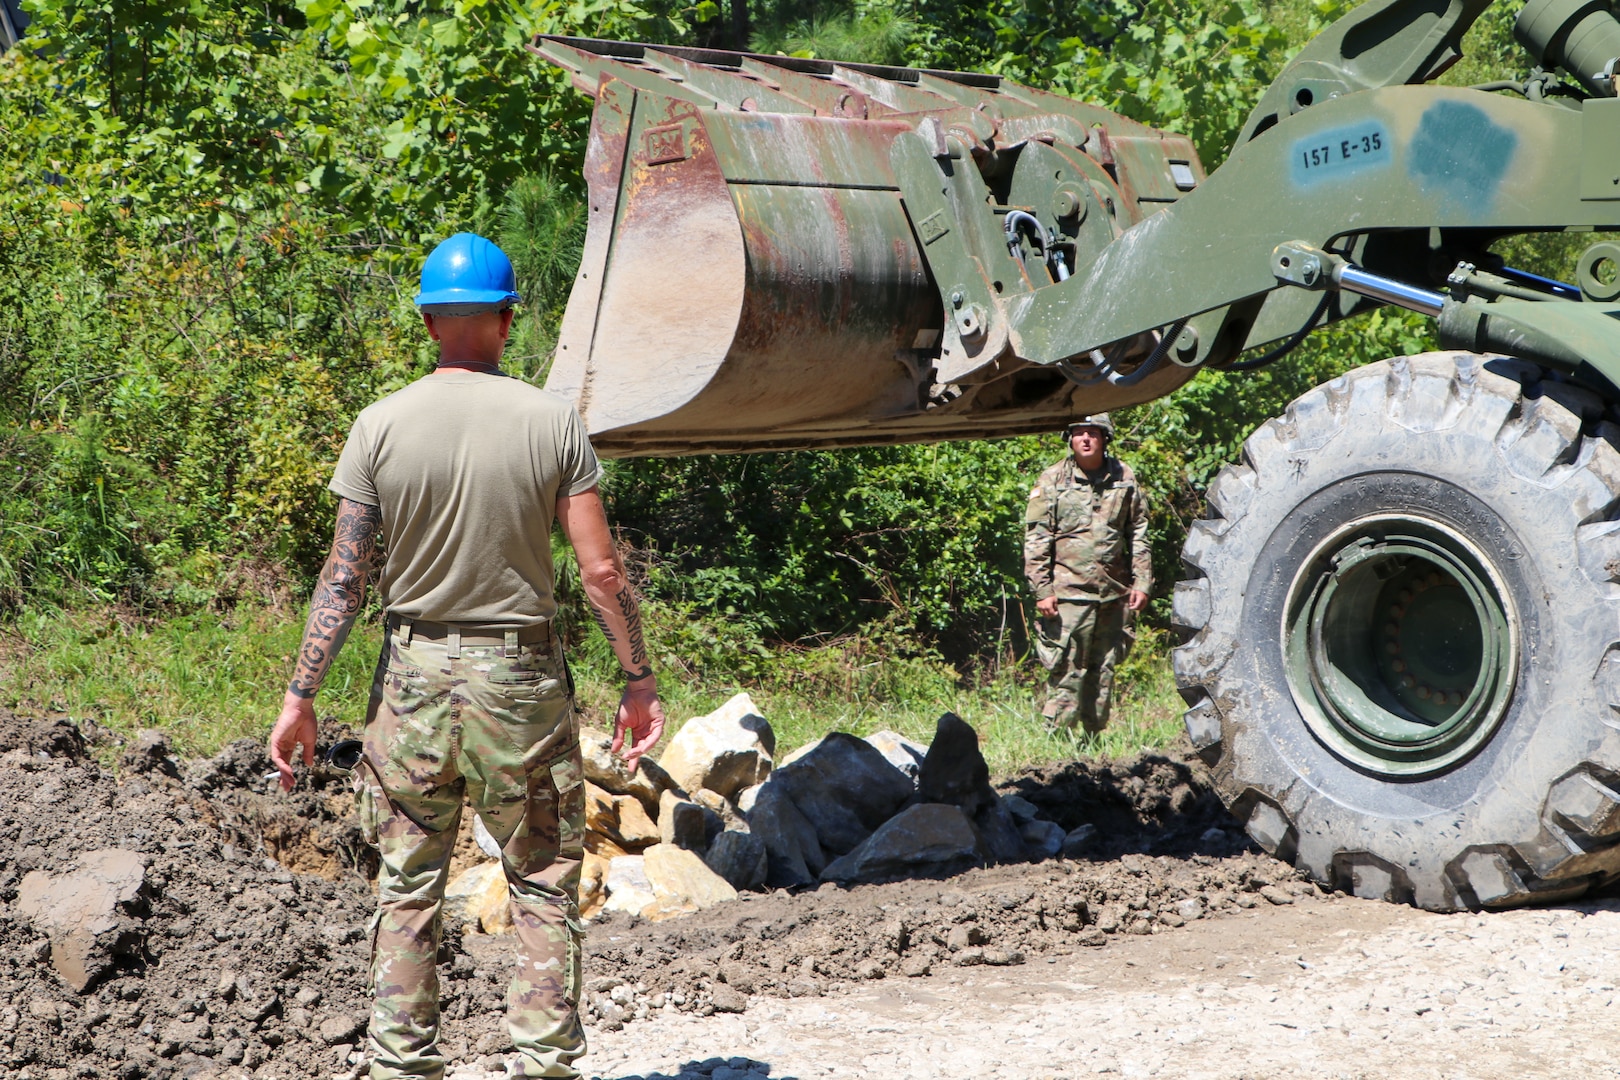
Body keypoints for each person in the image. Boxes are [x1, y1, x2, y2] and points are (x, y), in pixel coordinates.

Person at [267, 232, 665, 1080]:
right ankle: (542, 1063)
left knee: (408, 882)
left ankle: (400, 1063)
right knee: (542, 878)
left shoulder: (378, 426)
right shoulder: (553, 421)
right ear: (508, 319)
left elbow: (344, 577)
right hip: (519, 681)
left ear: (426, 322)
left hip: (411, 681)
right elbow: (599, 571)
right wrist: (637, 676)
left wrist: (301, 696)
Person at [1023, 413, 1151, 736]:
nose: (1085, 439)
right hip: (1068, 594)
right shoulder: (1053, 479)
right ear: (1070, 438)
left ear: (1105, 438)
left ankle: (1093, 741)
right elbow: (1037, 538)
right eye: (1079, 432)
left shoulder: (1124, 476)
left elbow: (1138, 531)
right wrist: (1042, 589)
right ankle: (1057, 744)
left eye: (1093, 433)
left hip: (1113, 594)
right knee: (1066, 668)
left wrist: (1143, 581)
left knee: (1103, 669)